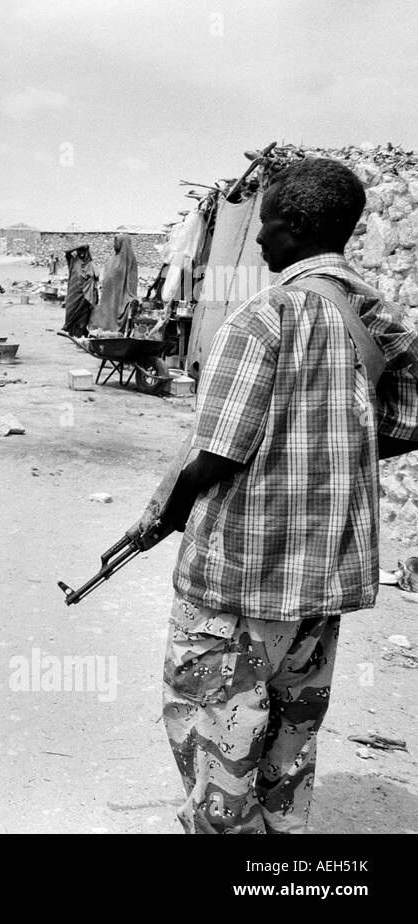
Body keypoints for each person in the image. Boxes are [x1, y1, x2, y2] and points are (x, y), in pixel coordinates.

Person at [134, 157, 418, 833]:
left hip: (240, 582)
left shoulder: (265, 317)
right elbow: (407, 423)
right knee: (290, 742)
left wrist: (159, 519)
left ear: (293, 225)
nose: (258, 241)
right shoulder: (378, 315)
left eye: (264, 226)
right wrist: (330, 446)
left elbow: (216, 453)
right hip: (321, 585)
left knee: (218, 738)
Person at [91, 233, 139, 333]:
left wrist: (130, 297)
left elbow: (132, 281)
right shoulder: (113, 258)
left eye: (116, 242)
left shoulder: (129, 259)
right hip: (108, 295)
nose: (114, 245)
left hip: (120, 296)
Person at [60, 245, 98, 338]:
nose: (81, 254)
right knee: (71, 313)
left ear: (87, 253)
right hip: (73, 295)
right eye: (79, 252)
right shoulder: (73, 261)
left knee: (82, 317)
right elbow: (67, 252)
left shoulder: (91, 265)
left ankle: (80, 335)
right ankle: (71, 332)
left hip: (85, 296)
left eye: (83, 252)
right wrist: (77, 247)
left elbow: (95, 279)